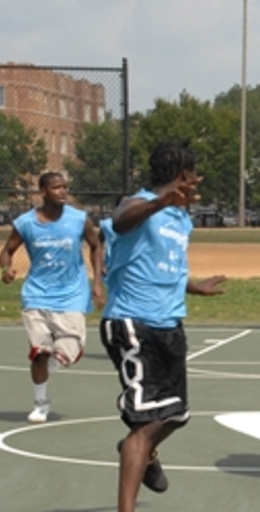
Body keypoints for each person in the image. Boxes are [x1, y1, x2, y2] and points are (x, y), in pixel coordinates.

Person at [100, 141, 226, 512]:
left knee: (177, 414)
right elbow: (122, 220)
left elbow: (159, 263)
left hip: (169, 323)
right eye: (194, 174)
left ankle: (138, 449)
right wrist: (160, 202)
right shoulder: (138, 204)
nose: (198, 181)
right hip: (132, 322)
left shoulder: (181, 218)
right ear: (183, 176)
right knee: (145, 421)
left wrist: (193, 285)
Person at [0, 172, 104, 423]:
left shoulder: (79, 219)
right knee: (38, 353)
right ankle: (40, 404)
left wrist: (97, 282)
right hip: (36, 294)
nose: (63, 192)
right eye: (57, 188)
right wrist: (6, 268)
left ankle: (57, 355)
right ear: (43, 192)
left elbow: (96, 246)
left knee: (68, 351)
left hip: (71, 295)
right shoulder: (26, 223)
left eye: (65, 187)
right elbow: (7, 250)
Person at [98, 194, 127, 278]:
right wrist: (101, 264)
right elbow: (98, 243)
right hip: (111, 267)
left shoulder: (137, 225)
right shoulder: (107, 225)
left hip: (129, 267)